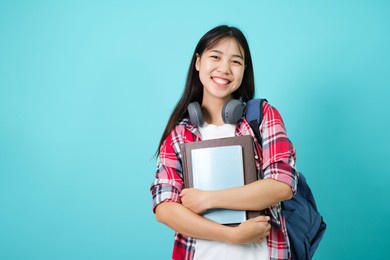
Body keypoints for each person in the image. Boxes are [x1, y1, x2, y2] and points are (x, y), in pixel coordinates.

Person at [150, 25, 298, 260]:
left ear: (244, 70)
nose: (224, 68)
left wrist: (208, 199)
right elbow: (165, 208)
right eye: (215, 57)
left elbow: (281, 185)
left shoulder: (262, 118)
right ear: (198, 62)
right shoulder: (179, 133)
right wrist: (231, 235)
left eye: (236, 61)